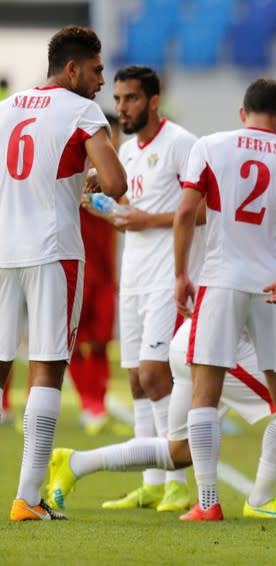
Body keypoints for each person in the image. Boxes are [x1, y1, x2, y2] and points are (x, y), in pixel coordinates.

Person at [47, 167, 276, 519]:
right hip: (221, 347)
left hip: (192, 340)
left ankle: (74, 463)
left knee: (180, 451)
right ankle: (260, 500)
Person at [173, 77, 276, 522]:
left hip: (220, 280)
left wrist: (181, 273)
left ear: (242, 112)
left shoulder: (210, 146)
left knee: (205, 391)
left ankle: (208, 502)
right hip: (271, 283)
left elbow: (184, 212)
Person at [1, 25, 127, 521]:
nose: (102, 79)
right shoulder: (81, 110)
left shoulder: (6, 108)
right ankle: (28, 498)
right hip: (53, 251)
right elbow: (115, 183)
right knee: (48, 366)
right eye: (96, 70)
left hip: (3, 249)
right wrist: (96, 173)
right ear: (72, 68)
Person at [87, 65, 199, 513]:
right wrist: (99, 206)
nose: (121, 108)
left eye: (130, 99)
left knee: (155, 375)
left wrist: (147, 220)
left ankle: (180, 481)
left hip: (166, 280)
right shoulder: (126, 151)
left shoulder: (183, 144)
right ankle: (152, 483)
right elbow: (128, 216)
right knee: (135, 380)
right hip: (131, 277)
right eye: (117, 100)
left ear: (154, 101)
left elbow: (207, 211)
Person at [68, 112, 122, 434]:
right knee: (71, 342)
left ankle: (96, 403)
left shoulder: (119, 178)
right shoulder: (76, 177)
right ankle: (90, 402)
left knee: (101, 342)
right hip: (75, 270)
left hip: (105, 275)